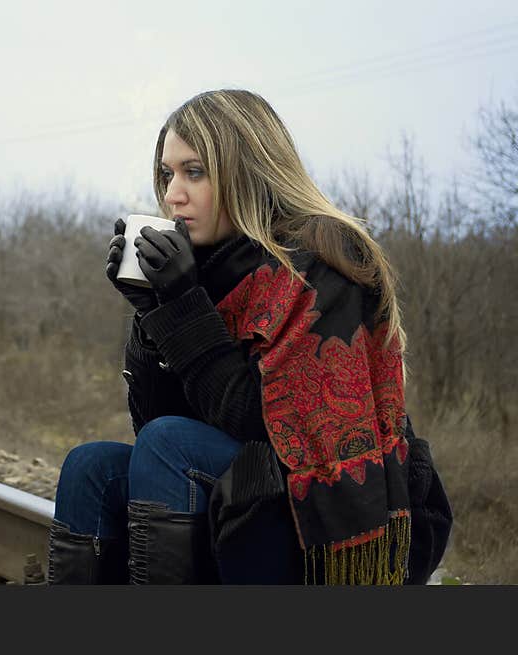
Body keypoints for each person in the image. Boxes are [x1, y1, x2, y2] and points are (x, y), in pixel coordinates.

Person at [47, 89, 416, 585]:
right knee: (92, 465)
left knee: (168, 444)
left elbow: (267, 430)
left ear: (247, 171)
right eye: (167, 174)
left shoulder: (319, 260)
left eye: (193, 172)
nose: (173, 193)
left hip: (322, 515)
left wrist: (181, 306)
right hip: (242, 493)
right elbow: (155, 422)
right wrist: (152, 312)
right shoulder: (206, 265)